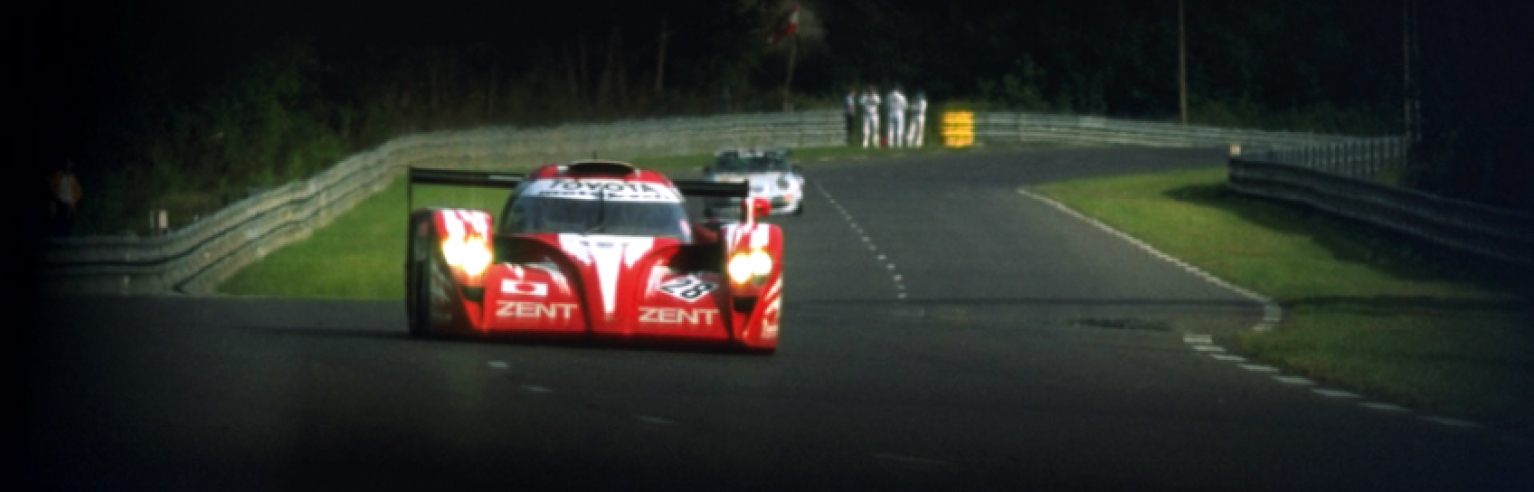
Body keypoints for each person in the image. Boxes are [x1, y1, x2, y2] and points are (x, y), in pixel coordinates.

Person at [49, 159, 83, 236]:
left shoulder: (72, 178)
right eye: (67, 165)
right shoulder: (59, 175)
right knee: (60, 219)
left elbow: (78, 190)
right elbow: (53, 187)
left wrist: (75, 200)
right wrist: (53, 199)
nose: (68, 167)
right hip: (60, 200)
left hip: (70, 201)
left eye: (69, 165)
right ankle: (59, 235)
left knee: (70, 219)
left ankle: (67, 235)